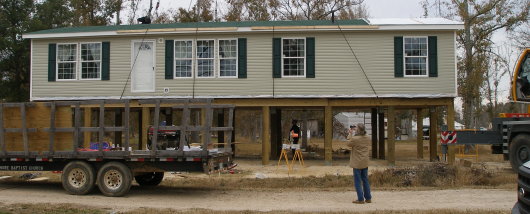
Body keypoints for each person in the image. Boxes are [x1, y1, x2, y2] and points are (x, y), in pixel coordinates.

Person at [347, 123, 372, 204]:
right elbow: (363, 135)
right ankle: (368, 198)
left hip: (357, 163)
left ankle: (360, 199)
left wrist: (350, 134)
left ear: (358, 130)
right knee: (365, 180)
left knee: (357, 181)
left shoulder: (355, 138)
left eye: (356, 128)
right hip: (364, 161)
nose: (355, 128)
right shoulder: (368, 137)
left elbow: (348, 144)